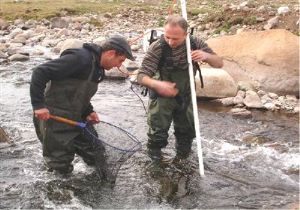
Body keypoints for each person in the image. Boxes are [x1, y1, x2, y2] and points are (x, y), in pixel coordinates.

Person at [30, 35, 134, 175]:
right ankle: (61, 193)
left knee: (96, 152)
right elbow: (40, 72)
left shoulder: (98, 68)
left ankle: (97, 187)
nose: (119, 65)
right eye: (120, 60)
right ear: (110, 53)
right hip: (53, 117)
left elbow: (80, 93)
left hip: (77, 117)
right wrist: (38, 105)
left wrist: (88, 111)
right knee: (60, 165)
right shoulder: (80, 58)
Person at [137, 14, 223, 170]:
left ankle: (182, 163)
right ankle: (156, 167)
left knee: (186, 132)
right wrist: (157, 84)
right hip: (162, 96)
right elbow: (141, 76)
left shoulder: (195, 43)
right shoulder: (158, 47)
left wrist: (207, 56)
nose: (170, 41)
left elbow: (219, 63)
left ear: (186, 34)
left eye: (175, 38)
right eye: (167, 36)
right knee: (157, 134)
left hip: (185, 95)